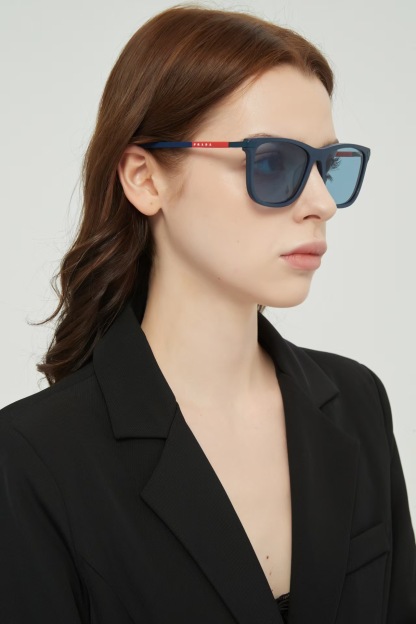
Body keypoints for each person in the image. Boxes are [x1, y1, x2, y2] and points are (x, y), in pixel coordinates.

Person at [0, 4, 415, 623]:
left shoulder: (357, 402)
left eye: (329, 165)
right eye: (272, 162)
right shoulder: (34, 456)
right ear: (145, 179)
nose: (322, 204)